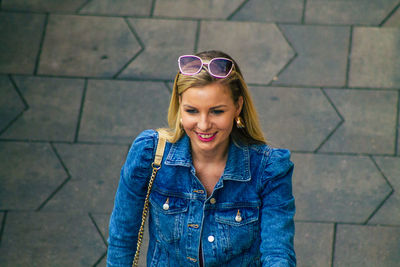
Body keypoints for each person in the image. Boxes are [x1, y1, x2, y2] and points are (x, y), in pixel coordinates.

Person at [107, 50, 296, 266]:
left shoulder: (269, 169)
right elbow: (122, 239)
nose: (204, 125)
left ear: (238, 106)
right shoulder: (149, 154)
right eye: (192, 111)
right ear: (179, 105)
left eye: (216, 111)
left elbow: (278, 253)